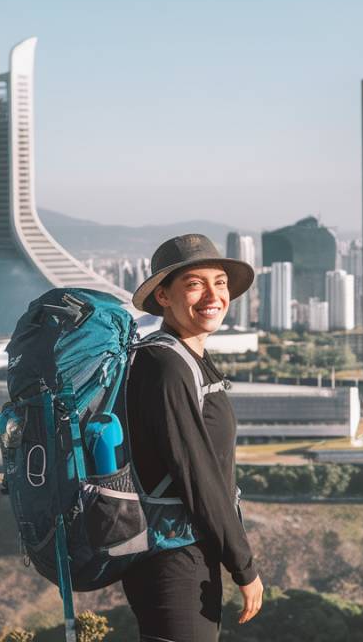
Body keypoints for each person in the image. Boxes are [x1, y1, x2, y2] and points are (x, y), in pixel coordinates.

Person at [124, 233, 264, 641]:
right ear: (163, 297)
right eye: (194, 283)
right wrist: (244, 566)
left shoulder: (190, 359)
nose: (213, 295)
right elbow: (198, 476)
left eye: (219, 282)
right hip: (169, 555)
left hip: (188, 548)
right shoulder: (164, 366)